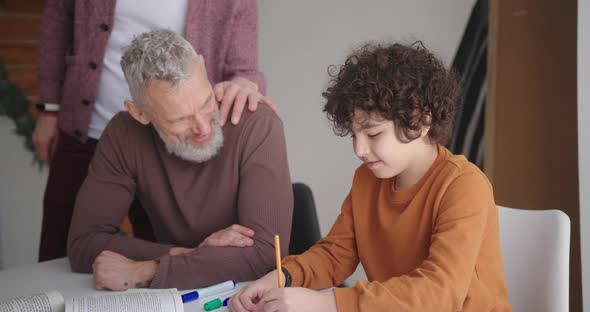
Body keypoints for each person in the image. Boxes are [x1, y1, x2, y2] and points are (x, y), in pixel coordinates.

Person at [229, 42, 511, 311]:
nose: (359, 150)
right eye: (354, 134)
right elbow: (335, 254)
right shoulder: (367, 179)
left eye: (373, 133)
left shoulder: (463, 186)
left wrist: (326, 304)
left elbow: (440, 293)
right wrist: (281, 278)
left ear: (422, 121)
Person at [33, 0, 271, 262]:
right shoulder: (117, 133)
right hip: (87, 128)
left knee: (159, 255)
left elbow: (244, 68)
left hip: (172, 146)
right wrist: (50, 108)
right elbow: (58, 17)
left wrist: (244, 86)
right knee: (60, 252)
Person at [66, 30, 293, 291]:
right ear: (139, 113)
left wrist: (149, 269)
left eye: (207, 102)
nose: (203, 128)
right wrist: (187, 253)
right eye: (179, 119)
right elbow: (83, 244)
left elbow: (266, 255)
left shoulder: (257, 123)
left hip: (250, 294)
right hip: (177, 297)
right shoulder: (124, 134)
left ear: (205, 68)